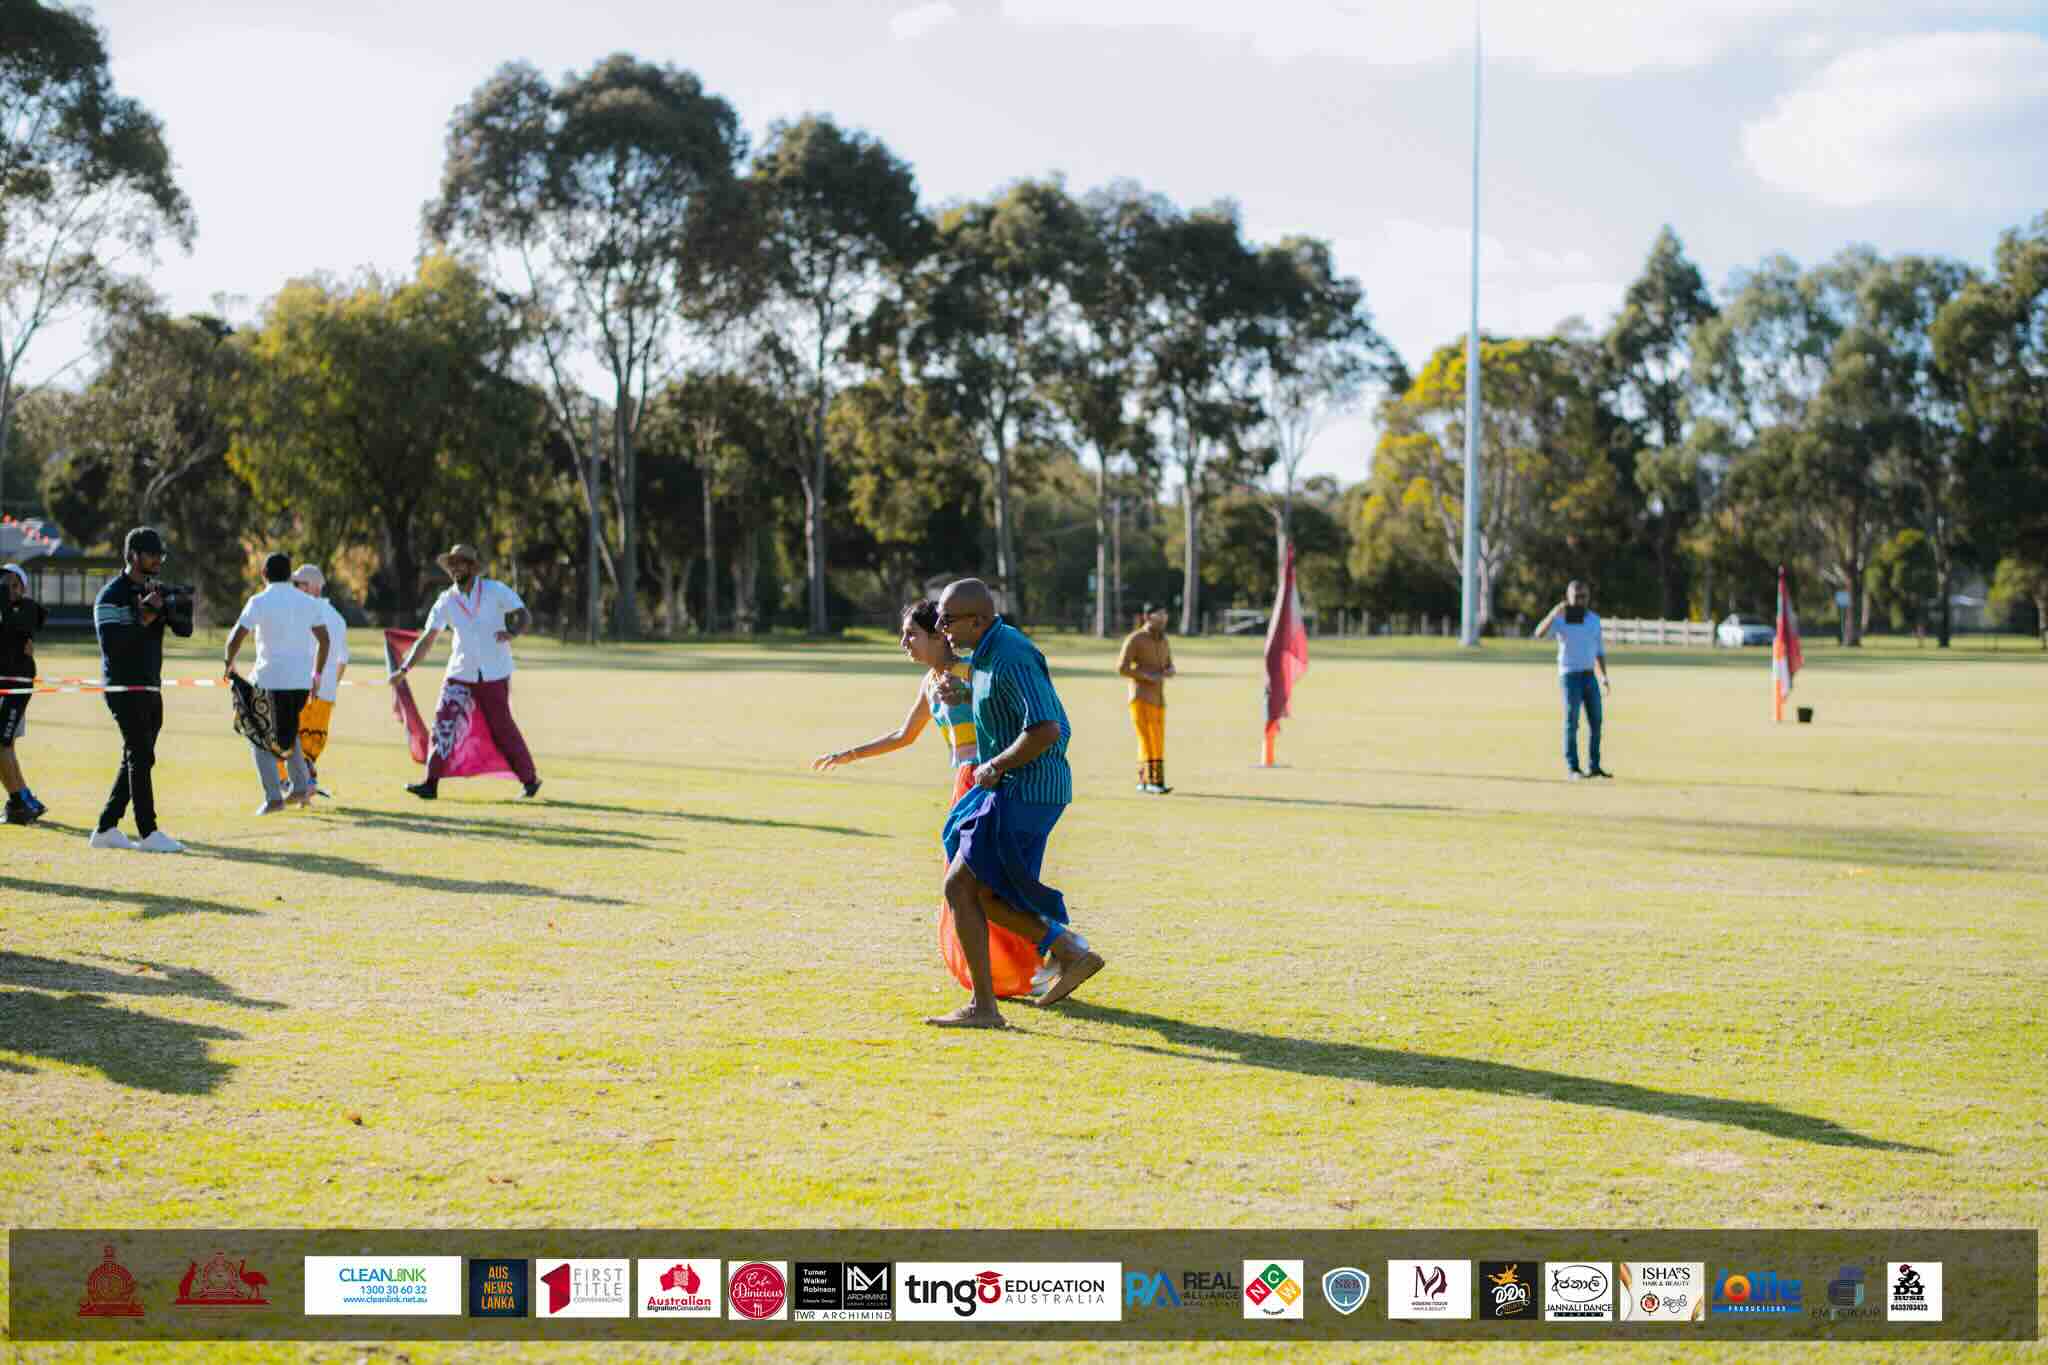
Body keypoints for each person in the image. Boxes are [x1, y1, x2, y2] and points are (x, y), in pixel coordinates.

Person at [813, 601, 1086, 999]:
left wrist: (965, 697)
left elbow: (1006, 718)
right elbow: (904, 735)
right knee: (970, 888)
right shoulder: (930, 682)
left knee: (980, 885)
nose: (904, 642)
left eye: (911, 634)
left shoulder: (974, 670)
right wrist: (850, 754)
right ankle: (1022, 968)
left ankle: (1039, 961)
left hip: (992, 777)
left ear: (939, 635)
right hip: (965, 782)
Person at [927, 578, 1105, 1029]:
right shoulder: (985, 654)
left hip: (1027, 788)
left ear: (977, 619)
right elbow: (1006, 707)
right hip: (1014, 787)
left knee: (961, 887)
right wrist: (966, 695)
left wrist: (997, 764)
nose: (942, 628)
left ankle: (986, 1006)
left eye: (947, 620)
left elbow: (1045, 728)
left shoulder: (1011, 654)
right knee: (984, 892)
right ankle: (1066, 949)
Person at [392, 542, 540, 800]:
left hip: (494, 672)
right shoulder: (446, 600)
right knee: (443, 724)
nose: (454, 569)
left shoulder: (495, 590)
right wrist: (404, 668)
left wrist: (513, 632)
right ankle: (430, 783)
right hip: (459, 672)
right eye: (451, 565)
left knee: (502, 729)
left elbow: (523, 614)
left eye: (459, 563)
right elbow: (427, 638)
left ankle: (530, 780)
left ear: (471, 567)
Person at [90, 526, 194, 852]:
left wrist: (174, 605)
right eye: (151, 555)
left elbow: (185, 630)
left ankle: (106, 827)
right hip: (123, 687)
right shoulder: (110, 596)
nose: (158, 560)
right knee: (140, 754)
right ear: (133, 555)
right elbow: (112, 647)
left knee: (138, 756)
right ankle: (148, 832)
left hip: (151, 686)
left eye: (161, 555)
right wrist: (143, 617)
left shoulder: (156, 591)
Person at [224, 552, 331, 814]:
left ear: (264, 574)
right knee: (288, 731)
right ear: (290, 576)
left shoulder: (259, 601)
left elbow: (236, 637)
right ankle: (300, 786)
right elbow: (324, 640)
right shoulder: (308, 602)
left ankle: (274, 798)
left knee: (257, 734)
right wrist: (316, 676)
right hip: (300, 683)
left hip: (269, 681)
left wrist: (229, 663)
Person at [277, 564, 349, 797]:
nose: (294, 588)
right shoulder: (338, 618)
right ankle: (306, 787)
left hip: (301, 690)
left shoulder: (300, 612)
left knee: (290, 743)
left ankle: (297, 787)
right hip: (325, 694)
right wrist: (331, 688)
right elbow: (343, 660)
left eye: (298, 584)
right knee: (310, 747)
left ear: (313, 587)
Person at [1531, 580, 1612, 780]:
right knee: (1572, 721)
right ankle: (1573, 768)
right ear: (1568, 597)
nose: (1580, 601)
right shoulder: (1561, 619)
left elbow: (1599, 651)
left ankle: (1594, 767)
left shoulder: (1594, 620)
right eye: (1576, 597)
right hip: (1569, 675)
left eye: (1584, 596)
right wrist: (1553, 614)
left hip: (1589, 675)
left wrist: (1603, 676)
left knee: (1596, 721)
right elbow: (1538, 634)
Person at [1, 562, 49, 824]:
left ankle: (20, 803)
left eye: (13, 584)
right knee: (5, 746)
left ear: (23, 588)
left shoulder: (28, 608)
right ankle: (23, 799)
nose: (7, 588)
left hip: (15, 688)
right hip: (6, 686)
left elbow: (15, 624)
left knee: (2, 744)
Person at [1116, 603, 1176, 794]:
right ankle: (1152, 781)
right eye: (1159, 615)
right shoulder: (1135, 639)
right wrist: (1145, 676)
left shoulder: (1164, 640)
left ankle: (1147, 781)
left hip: (1159, 698)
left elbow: (1169, 664)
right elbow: (1122, 667)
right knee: (1147, 738)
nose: (1163, 619)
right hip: (1140, 696)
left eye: (1165, 615)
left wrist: (1170, 670)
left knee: (1157, 739)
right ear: (1147, 617)